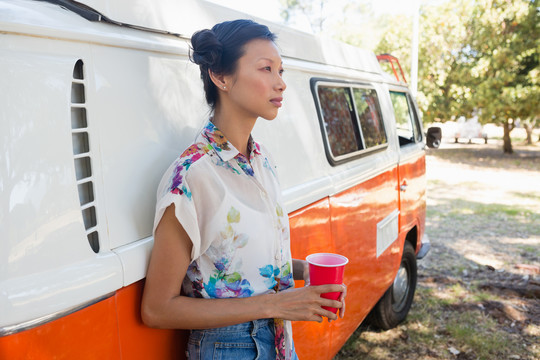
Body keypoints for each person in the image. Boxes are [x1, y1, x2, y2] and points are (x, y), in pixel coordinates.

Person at [141, 19, 347, 360]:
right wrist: (276, 303)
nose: (281, 83)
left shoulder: (262, 161)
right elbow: (158, 309)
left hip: (279, 340)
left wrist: (306, 273)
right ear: (221, 77)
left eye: (281, 71)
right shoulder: (191, 176)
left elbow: (242, 263)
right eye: (266, 69)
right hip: (230, 347)